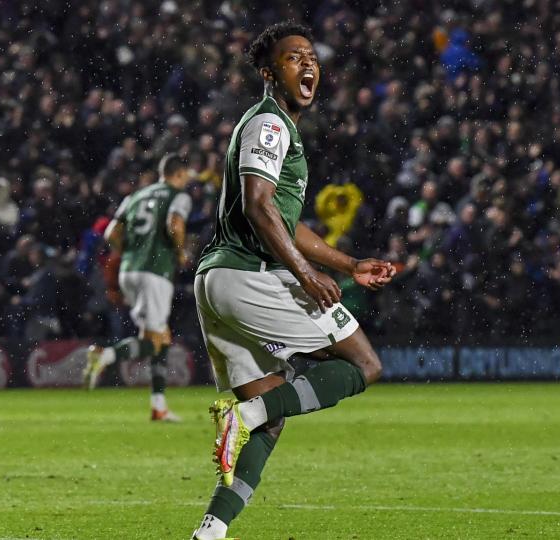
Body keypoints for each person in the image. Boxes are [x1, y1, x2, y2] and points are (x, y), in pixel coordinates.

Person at [190, 21, 396, 540]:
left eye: (311, 58)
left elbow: (284, 220)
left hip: (217, 283)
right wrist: (307, 276)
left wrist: (348, 266)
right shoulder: (271, 125)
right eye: (293, 58)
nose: (307, 65)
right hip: (247, 276)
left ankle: (211, 531)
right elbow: (260, 208)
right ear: (268, 73)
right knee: (364, 362)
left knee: (269, 419)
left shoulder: (276, 127)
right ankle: (248, 412)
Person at [83, 154, 192, 422]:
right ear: (178, 174)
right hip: (156, 272)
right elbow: (175, 225)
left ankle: (159, 406)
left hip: (129, 270)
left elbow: (111, 234)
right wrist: (179, 252)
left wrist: (131, 253)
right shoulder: (178, 196)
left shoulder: (136, 196)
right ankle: (105, 355)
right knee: (155, 340)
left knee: (159, 337)